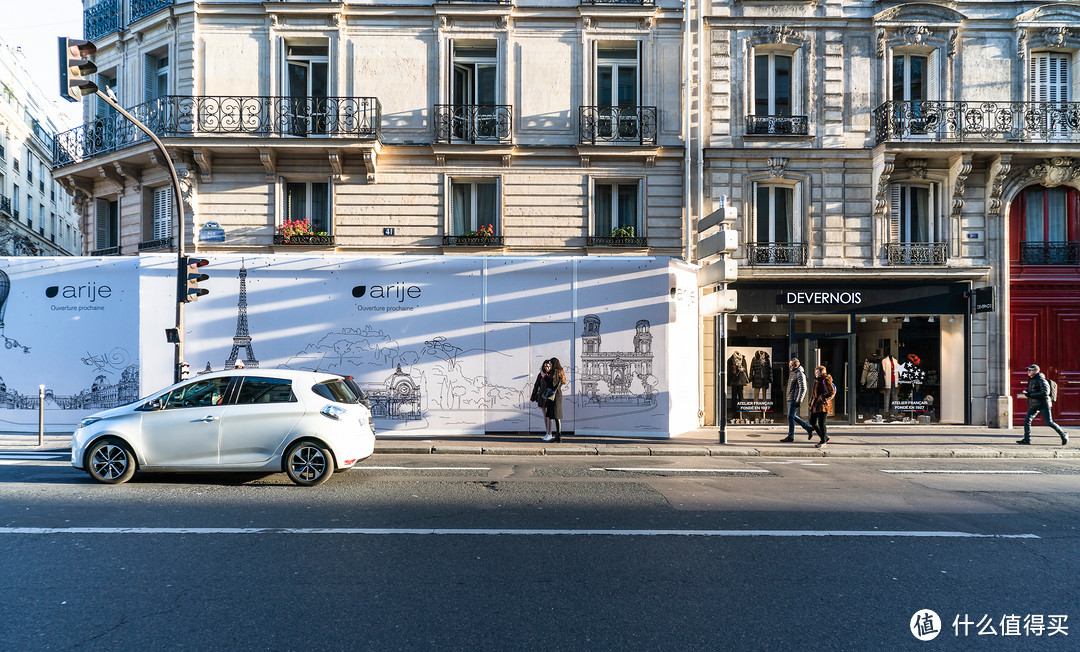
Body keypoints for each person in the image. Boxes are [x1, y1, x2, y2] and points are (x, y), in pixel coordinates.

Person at [1017, 364, 1068, 446]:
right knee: (1027, 421)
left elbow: (1045, 392)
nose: (1028, 372)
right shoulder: (1031, 379)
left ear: (1036, 371)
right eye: (1028, 370)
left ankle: (1063, 434)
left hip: (1043, 404)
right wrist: (1028, 393)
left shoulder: (1041, 379)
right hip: (1034, 404)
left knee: (1049, 422)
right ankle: (1026, 439)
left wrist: (1030, 395)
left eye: (1030, 370)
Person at [781, 357, 814, 442]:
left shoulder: (800, 374)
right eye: (789, 365)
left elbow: (803, 388)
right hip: (790, 398)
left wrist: (798, 400)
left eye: (791, 365)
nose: (789, 366)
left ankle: (790, 436)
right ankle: (808, 428)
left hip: (794, 399)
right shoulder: (793, 373)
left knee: (790, 417)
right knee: (792, 416)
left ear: (796, 365)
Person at [807, 365, 835, 449]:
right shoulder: (817, 381)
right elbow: (813, 393)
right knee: (812, 421)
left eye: (817, 372)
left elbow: (831, 392)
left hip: (823, 405)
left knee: (821, 423)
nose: (815, 374)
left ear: (822, 372)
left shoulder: (825, 380)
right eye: (815, 372)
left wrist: (822, 398)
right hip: (816, 404)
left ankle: (823, 441)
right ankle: (825, 437)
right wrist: (810, 402)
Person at [541, 358, 566, 442]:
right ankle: (558, 436)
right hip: (556, 396)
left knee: (556, 416)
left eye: (551, 364)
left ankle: (558, 437)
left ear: (554, 364)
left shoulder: (557, 372)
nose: (550, 366)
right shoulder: (558, 372)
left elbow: (552, 385)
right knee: (555, 416)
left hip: (556, 396)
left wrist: (545, 377)